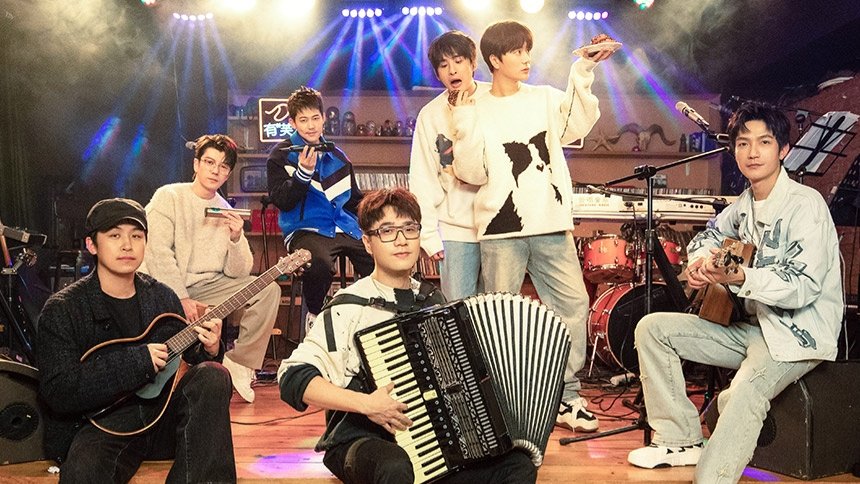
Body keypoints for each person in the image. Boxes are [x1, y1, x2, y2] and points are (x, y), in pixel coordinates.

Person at [627, 103, 843, 483]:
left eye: (764, 142)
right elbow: (710, 234)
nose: (753, 152)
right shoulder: (744, 204)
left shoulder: (805, 205)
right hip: (751, 330)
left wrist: (742, 276)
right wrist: (700, 263)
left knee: (744, 392)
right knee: (653, 330)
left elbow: (802, 286)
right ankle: (679, 439)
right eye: (743, 143)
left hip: (797, 337)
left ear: (784, 150)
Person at [277, 188, 537, 483]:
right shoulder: (348, 306)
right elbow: (292, 378)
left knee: (518, 466)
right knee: (396, 467)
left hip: (433, 445)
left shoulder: (433, 300)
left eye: (409, 229)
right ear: (368, 243)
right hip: (362, 440)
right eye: (387, 231)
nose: (401, 240)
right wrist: (366, 404)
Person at [450, 20, 615, 432]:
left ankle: (566, 396)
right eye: (517, 52)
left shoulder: (543, 97)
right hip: (500, 227)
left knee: (572, 305)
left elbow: (577, 124)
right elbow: (470, 172)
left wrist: (584, 69)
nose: (527, 58)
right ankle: (509, 406)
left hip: (550, 222)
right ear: (495, 60)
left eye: (528, 50)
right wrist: (464, 118)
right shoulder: (475, 106)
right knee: (501, 319)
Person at [36, 198, 236, 483]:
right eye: (114, 235)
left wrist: (210, 349)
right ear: (92, 245)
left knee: (214, 375)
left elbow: (188, 359)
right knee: (83, 472)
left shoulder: (162, 296)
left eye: (137, 236)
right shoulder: (64, 308)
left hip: (162, 419)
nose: (127, 245)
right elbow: (58, 391)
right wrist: (137, 362)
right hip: (102, 428)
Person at [141, 134, 281, 403]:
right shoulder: (169, 196)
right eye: (209, 162)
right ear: (196, 164)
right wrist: (181, 296)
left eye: (223, 166)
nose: (216, 170)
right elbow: (157, 252)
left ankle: (239, 363)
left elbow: (239, 272)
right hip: (164, 286)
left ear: (228, 173)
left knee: (268, 290)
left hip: (209, 285)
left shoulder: (225, 209)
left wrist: (236, 238)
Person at [267, 86, 375, 333]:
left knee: (380, 255)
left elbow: (354, 200)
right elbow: (282, 200)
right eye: (303, 120)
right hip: (305, 229)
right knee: (319, 264)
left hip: (344, 225)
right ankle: (315, 316)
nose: (311, 125)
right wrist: (303, 174)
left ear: (324, 118)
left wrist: (378, 217)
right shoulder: (280, 155)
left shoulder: (338, 155)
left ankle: (375, 317)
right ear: (292, 122)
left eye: (315, 118)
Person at [408, 30, 489, 300]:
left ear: (473, 63)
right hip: (455, 231)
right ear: (437, 73)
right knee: (459, 311)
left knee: (496, 312)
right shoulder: (430, 115)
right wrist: (429, 235)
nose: (452, 70)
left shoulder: (495, 100)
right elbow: (423, 177)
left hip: (499, 228)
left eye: (458, 61)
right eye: (443, 65)